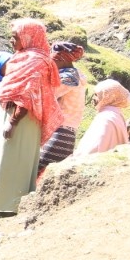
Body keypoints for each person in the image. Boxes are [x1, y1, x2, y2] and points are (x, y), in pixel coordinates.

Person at [0, 19, 61, 215]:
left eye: (15, 37)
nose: (11, 41)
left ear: (29, 37)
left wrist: (13, 122)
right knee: (3, 158)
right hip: (9, 114)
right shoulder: (21, 57)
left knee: (14, 160)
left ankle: (10, 206)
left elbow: (29, 94)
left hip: (22, 119)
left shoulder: (37, 62)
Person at [37, 42, 87, 176]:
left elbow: (47, 95)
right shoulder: (74, 74)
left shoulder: (68, 77)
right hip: (64, 132)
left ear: (61, 59)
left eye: (52, 60)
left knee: (40, 173)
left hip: (60, 132)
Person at [73, 80, 130, 157]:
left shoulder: (105, 117)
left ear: (108, 97)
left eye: (98, 95)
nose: (93, 98)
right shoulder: (116, 114)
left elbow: (92, 148)